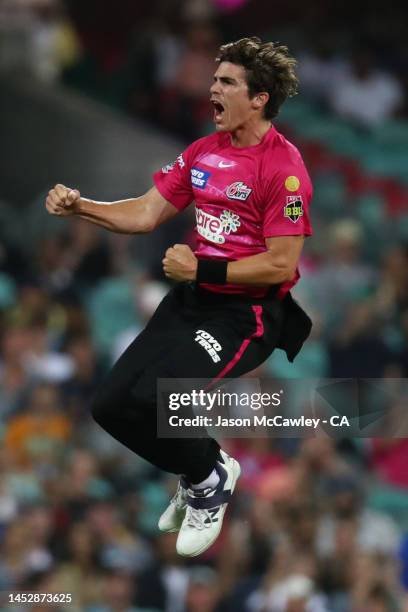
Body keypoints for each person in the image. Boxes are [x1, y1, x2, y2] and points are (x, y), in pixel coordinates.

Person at [45, 36, 313, 557]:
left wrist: (202, 265)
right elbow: (146, 214)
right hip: (192, 301)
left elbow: (283, 263)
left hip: (246, 316)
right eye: (215, 80)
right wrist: (82, 208)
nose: (213, 88)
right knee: (110, 406)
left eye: (227, 82)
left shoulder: (283, 168)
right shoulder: (204, 151)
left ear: (259, 98)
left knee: (162, 399)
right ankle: (204, 472)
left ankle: (209, 482)